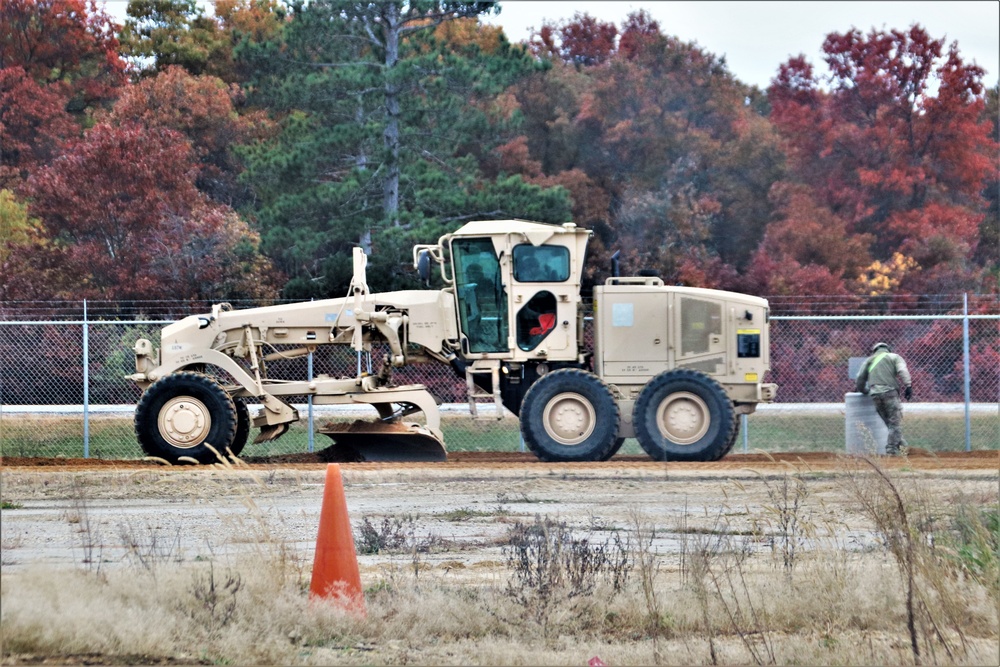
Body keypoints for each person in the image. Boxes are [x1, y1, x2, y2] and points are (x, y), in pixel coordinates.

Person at [854, 342, 913, 455]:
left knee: (889, 423)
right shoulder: (894, 357)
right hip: (890, 393)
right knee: (895, 424)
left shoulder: (869, 360)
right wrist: (908, 385)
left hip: (875, 395)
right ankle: (891, 450)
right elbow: (902, 370)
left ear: (875, 350)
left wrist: (864, 390)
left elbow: (860, 378)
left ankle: (904, 447)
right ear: (888, 349)